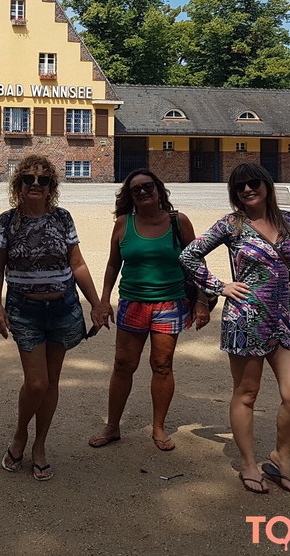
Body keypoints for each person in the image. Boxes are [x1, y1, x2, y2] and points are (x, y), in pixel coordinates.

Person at [179, 163, 290, 494]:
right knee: (247, 393)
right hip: (245, 319)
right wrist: (219, 286)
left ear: (266, 185)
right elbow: (189, 255)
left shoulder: (287, 221)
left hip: (283, 318)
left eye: (253, 183)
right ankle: (248, 463)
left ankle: (281, 456)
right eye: (239, 186)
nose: (247, 189)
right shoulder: (232, 224)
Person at [0, 154, 111, 481]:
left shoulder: (62, 218)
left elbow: (77, 264)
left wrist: (96, 303)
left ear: (50, 187)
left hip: (62, 308)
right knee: (37, 382)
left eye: (43, 180)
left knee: (51, 382)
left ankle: (40, 444)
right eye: (28, 178)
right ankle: (20, 434)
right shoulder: (8, 221)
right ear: (18, 185)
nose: (35, 184)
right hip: (24, 310)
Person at [88, 168, 210, 453]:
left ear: (158, 189)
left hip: (170, 303)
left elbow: (197, 263)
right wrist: (104, 301)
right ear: (129, 196)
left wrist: (202, 300)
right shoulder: (124, 223)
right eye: (136, 189)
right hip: (133, 302)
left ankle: (158, 427)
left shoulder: (178, 221)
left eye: (148, 186)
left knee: (162, 365)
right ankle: (113, 426)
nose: (143, 192)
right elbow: (113, 264)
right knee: (123, 364)